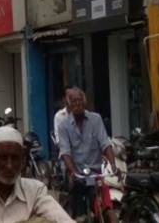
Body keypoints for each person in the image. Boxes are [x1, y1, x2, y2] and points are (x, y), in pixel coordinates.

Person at [57, 88, 118, 220]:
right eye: (74, 101)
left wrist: (113, 165)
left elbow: (105, 143)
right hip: (76, 172)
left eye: (80, 101)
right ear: (69, 105)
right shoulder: (63, 125)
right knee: (79, 213)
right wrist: (73, 172)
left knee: (105, 202)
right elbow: (65, 152)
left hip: (95, 171)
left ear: (85, 103)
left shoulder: (96, 119)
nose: (77, 104)